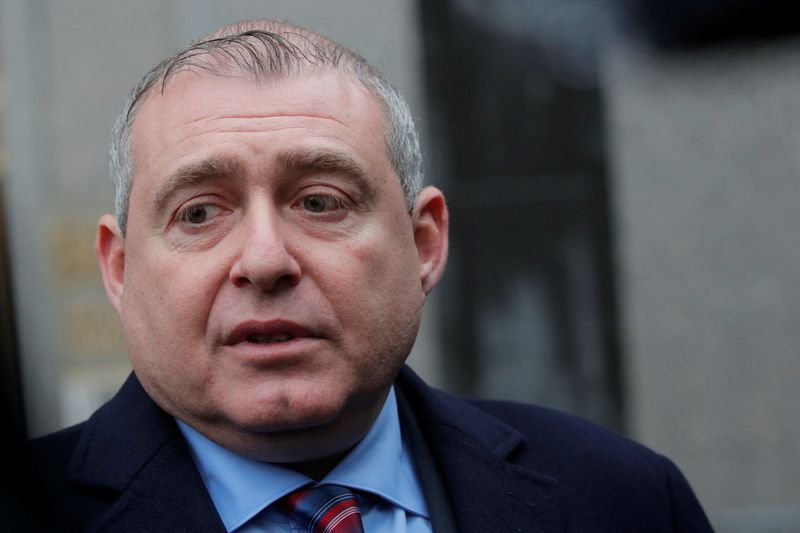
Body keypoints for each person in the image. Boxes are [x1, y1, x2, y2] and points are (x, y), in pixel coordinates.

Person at [27, 19, 713, 532]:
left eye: (320, 201)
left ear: (423, 244)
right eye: (200, 211)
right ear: (120, 269)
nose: (265, 260)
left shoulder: (626, 499)